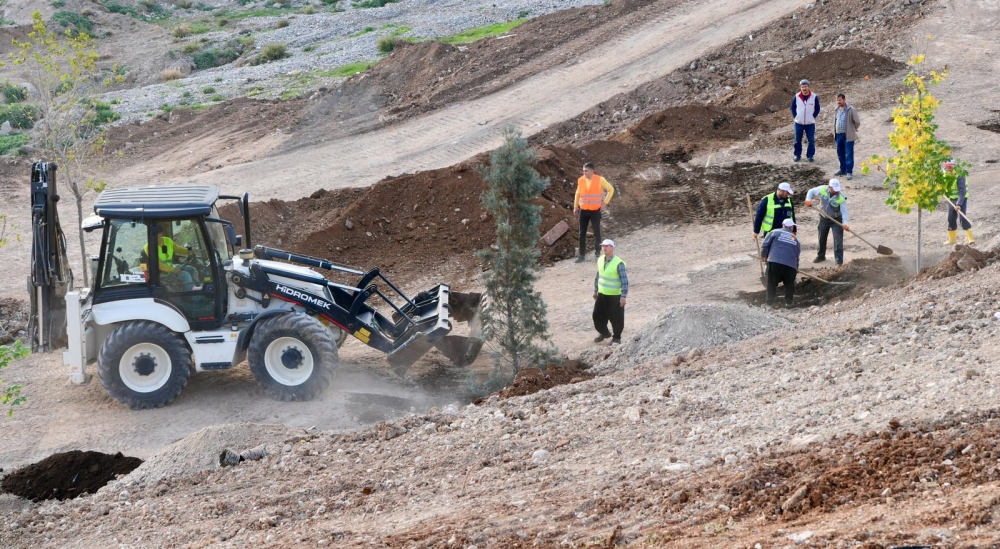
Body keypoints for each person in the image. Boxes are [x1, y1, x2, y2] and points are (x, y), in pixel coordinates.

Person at [573, 162, 615, 263]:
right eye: (583, 171)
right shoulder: (581, 180)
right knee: (581, 233)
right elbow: (577, 193)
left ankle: (597, 254)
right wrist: (575, 207)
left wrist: (605, 203)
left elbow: (611, 189)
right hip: (583, 210)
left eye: (586, 171)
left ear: (592, 171)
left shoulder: (600, 179)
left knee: (597, 232)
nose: (584, 173)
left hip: (595, 211)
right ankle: (581, 255)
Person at [805, 178, 850, 265]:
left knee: (838, 240)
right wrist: (808, 199)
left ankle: (839, 261)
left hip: (836, 220)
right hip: (823, 218)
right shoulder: (822, 189)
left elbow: (844, 211)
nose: (836, 191)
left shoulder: (841, 197)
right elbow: (811, 191)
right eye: (834, 189)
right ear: (830, 187)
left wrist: (845, 223)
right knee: (821, 238)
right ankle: (820, 256)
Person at [592, 239, 627, 345]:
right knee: (597, 315)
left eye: (606, 246)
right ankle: (604, 333)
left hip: (615, 296)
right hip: (602, 294)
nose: (604, 248)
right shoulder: (600, 260)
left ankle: (616, 338)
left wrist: (623, 296)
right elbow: (598, 276)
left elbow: (624, 281)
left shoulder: (618, 263)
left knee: (616, 318)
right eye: (603, 246)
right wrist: (595, 290)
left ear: (612, 248)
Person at [760, 218, 801, 307]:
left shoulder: (775, 232)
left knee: (771, 283)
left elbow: (765, 245)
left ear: (783, 225)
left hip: (775, 262)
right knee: (789, 285)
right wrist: (796, 267)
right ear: (791, 227)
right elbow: (797, 255)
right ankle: (789, 303)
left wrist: (763, 256)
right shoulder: (796, 239)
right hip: (790, 266)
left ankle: (769, 303)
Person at [142, 224, 197, 288]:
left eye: (158, 234)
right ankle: (193, 297)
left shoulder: (168, 240)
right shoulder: (148, 247)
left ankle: (188, 288)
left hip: (170, 266)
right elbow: (158, 264)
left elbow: (178, 249)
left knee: (191, 269)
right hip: (160, 272)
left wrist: (189, 250)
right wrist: (173, 269)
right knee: (186, 275)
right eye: (154, 234)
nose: (156, 236)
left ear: (161, 233)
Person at [942, 160, 973, 245]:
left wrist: (959, 204)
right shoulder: (945, 173)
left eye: (948, 166)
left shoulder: (960, 174)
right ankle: (952, 240)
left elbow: (962, 191)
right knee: (951, 218)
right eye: (946, 166)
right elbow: (942, 184)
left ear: (953, 166)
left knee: (963, 218)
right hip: (951, 198)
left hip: (961, 198)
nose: (947, 168)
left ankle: (970, 238)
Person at [832, 93, 861, 180]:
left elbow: (857, 122)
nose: (838, 102)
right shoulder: (836, 109)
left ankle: (849, 172)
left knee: (849, 154)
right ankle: (842, 169)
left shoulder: (851, 110)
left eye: (840, 100)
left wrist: (851, 130)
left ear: (844, 100)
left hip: (847, 136)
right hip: (838, 135)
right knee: (840, 154)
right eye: (837, 100)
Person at [791, 79, 820, 162]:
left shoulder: (814, 97)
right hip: (798, 123)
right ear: (800, 88)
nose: (804, 88)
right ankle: (797, 155)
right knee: (797, 140)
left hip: (810, 123)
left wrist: (813, 116)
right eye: (802, 87)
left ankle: (810, 156)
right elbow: (792, 108)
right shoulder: (796, 96)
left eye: (805, 86)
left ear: (808, 87)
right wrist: (795, 116)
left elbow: (817, 108)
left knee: (811, 140)